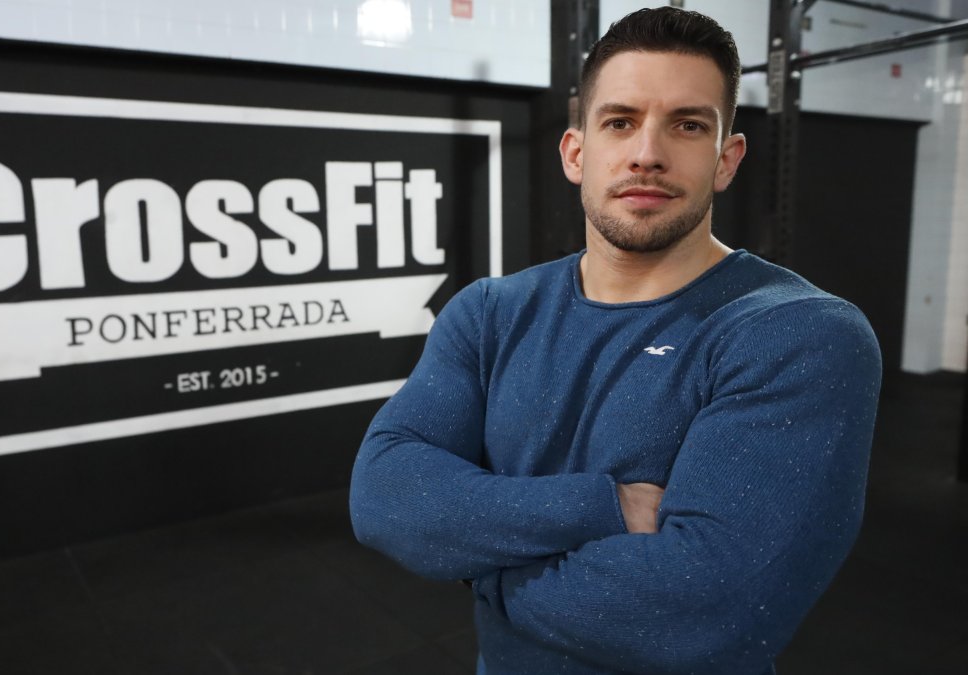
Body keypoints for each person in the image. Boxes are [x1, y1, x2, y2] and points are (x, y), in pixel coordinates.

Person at [349, 7, 881, 675]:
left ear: (727, 159)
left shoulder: (798, 333)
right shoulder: (488, 312)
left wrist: (475, 564)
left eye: (688, 125)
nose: (647, 153)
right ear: (577, 152)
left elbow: (704, 612)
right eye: (620, 121)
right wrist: (603, 504)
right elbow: (383, 493)